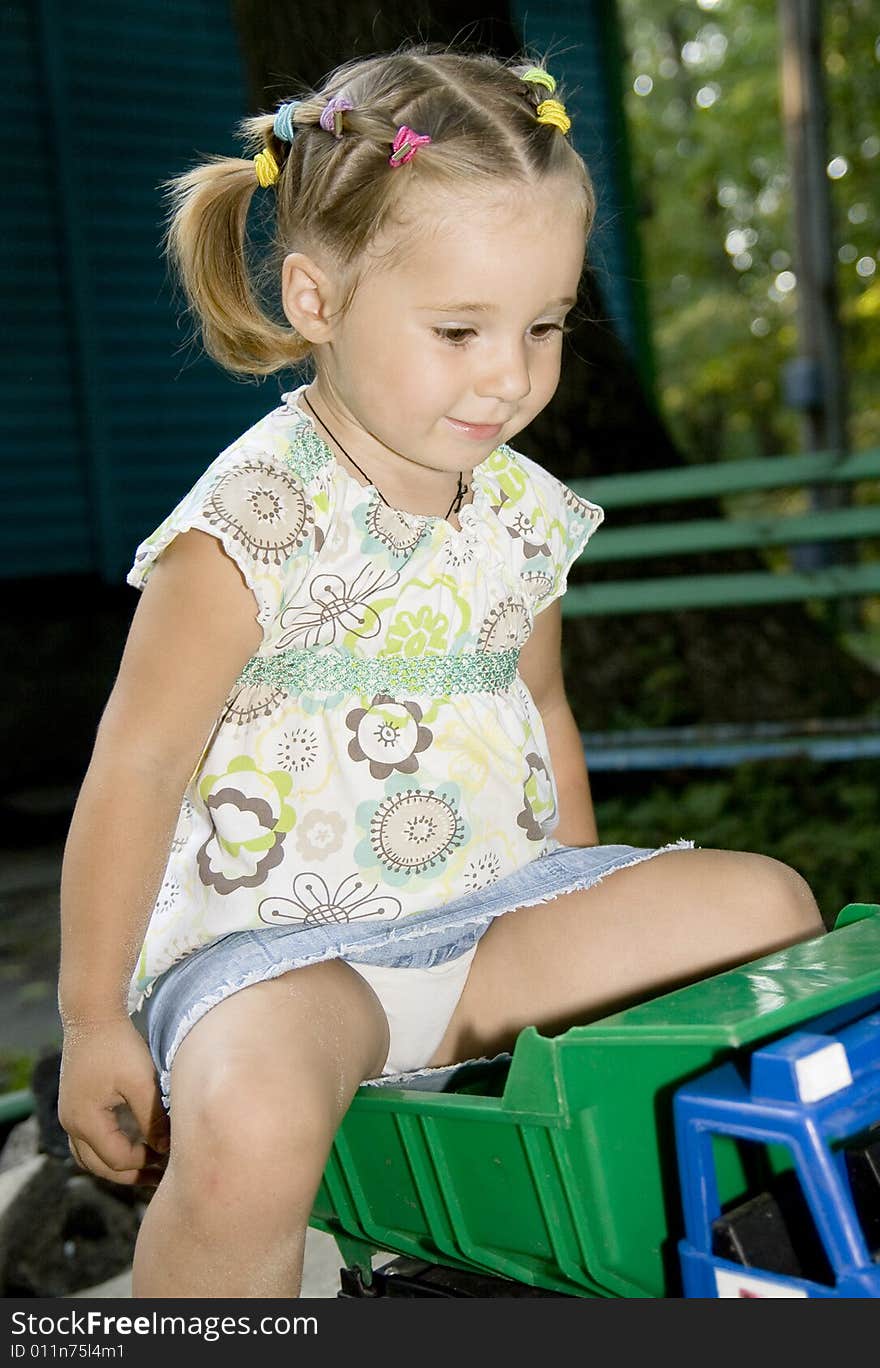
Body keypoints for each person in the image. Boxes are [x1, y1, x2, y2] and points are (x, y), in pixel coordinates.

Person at [56, 44, 824, 1298]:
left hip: (487, 930)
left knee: (768, 909)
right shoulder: (245, 530)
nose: (509, 375)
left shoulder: (523, 516)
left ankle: (628, 1249)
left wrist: (576, 901)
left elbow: (540, 702)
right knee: (253, 1107)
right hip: (296, 966)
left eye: (543, 326)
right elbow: (135, 765)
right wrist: (93, 1018)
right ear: (316, 300)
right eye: (460, 328)